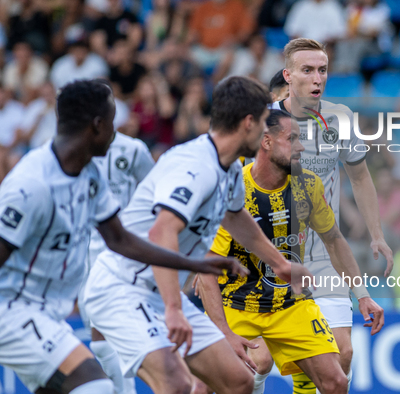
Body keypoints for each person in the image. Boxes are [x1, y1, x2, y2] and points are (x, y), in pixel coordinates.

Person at [0, 79, 244, 394]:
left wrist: (194, 263)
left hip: (47, 313)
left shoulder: (89, 173)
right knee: (98, 388)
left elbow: (121, 241)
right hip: (12, 312)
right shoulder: (31, 185)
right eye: (114, 120)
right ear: (98, 125)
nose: (119, 129)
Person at [83, 77, 312, 394]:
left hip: (156, 290)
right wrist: (174, 308)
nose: (264, 132)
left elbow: (235, 217)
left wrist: (280, 264)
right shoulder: (195, 166)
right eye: (262, 122)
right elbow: (162, 230)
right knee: (175, 384)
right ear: (248, 123)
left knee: (239, 381)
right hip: (122, 289)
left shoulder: (228, 167)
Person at [197, 110, 384, 394]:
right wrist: (224, 331)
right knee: (205, 387)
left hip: (290, 303)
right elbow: (207, 268)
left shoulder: (308, 184)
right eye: (292, 139)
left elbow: (333, 239)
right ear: (266, 142)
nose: (300, 147)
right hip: (235, 304)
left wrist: (363, 295)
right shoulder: (235, 190)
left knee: (336, 381)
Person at [270, 37, 392, 393]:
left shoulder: (340, 117)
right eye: (307, 70)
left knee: (342, 354)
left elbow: (360, 176)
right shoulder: (263, 120)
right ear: (288, 76)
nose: (316, 78)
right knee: (258, 361)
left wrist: (376, 234)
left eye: (322, 70)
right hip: (269, 252)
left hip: (324, 254)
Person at [77, 127, 155, 394]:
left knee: (107, 331)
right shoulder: (73, 149)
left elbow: (155, 193)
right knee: (98, 338)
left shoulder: (134, 149)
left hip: (124, 252)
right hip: (83, 253)